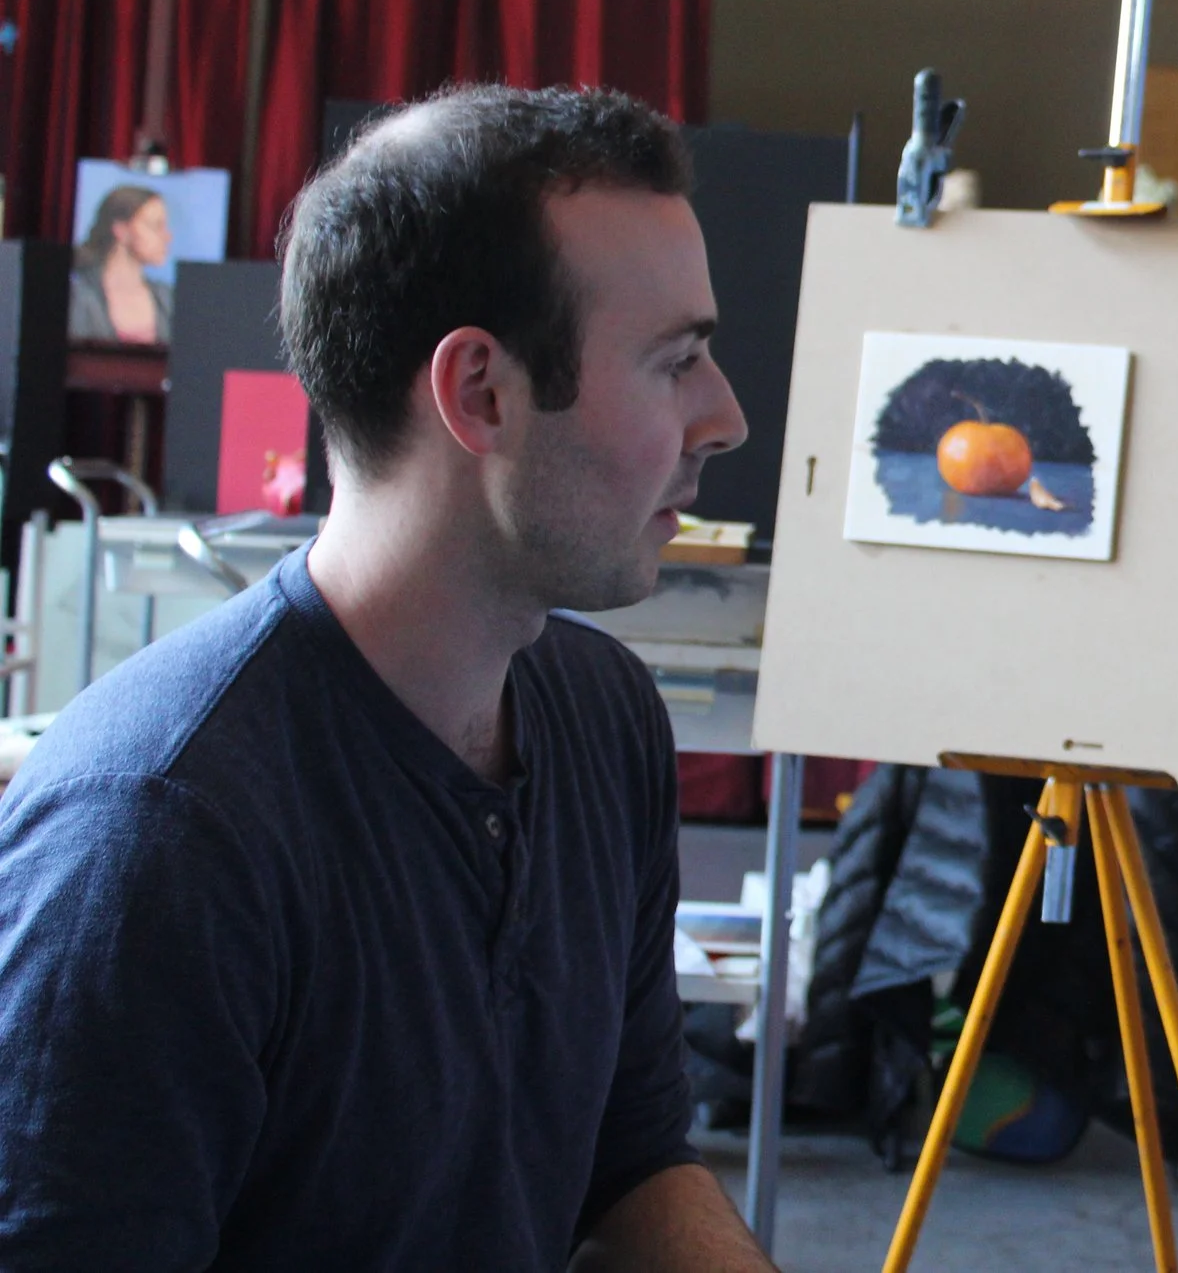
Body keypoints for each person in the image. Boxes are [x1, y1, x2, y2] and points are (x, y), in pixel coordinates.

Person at [0, 86, 774, 1270]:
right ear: (479, 391)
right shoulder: (160, 837)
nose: (724, 416)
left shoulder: (605, 716)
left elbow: (633, 1157)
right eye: (676, 361)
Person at [67, 181, 176, 343]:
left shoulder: (169, 298)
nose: (167, 237)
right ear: (121, 230)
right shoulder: (77, 296)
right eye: (155, 226)